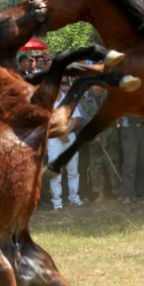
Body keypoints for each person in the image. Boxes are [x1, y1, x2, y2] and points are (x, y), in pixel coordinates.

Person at [47, 79, 84, 210]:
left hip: (69, 137)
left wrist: (66, 133)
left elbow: (76, 119)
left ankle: (74, 198)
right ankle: (57, 202)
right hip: (53, 139)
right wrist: (59, 134)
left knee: (73, 169)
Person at [81, 85, 121, 202]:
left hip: (110, 137)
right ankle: (100, 194)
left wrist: (103, 136)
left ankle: (117, 192)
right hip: (95, 141)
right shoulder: (87, 102)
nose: (96, 87)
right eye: (93, 85)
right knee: (96, 167)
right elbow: (88, 121)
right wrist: (95, 136)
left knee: (113, 163)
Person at [119, 114, 144, 204]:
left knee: (143, 161)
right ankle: (127, 194)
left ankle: (141, 192)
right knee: (130, 163)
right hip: (129, 128)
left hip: (141, 128)